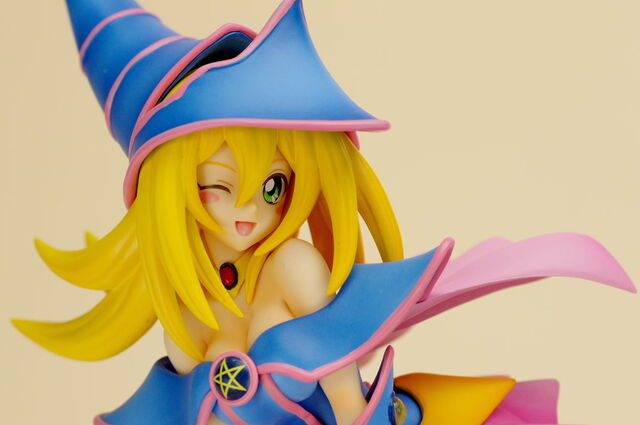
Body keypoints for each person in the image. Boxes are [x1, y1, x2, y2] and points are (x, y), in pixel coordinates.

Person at [13, 1, 635, 424]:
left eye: (273, 187)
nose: (249, 211)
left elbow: (341, 380)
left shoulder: (292, 266)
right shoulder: (182, 296)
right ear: (172, 191)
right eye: (220, 186)